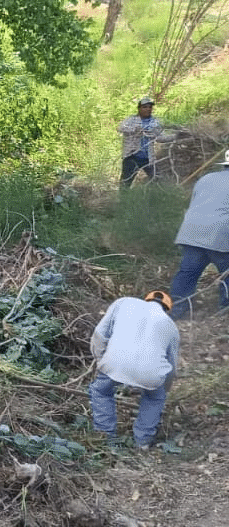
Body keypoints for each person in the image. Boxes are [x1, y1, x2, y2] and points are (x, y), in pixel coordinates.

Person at [89, 290, 180, 450]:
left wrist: (100, 360)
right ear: (167, 309)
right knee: (154, 398)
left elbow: (100, 334)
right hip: (151, 373)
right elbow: (171, 366)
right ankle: (142, 441)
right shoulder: (171, 326)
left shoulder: (123, 303)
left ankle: (105, 437)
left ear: (146, 299)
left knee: (101, 391)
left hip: (115, 362)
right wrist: (164, 389)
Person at [168, 149, 229, 318]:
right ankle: (224, 313)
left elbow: (197, 203)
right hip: (220, 234)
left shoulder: (206, 178)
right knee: (227, 274)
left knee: (187, 273)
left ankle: (177, 311)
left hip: (192, 231)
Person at [117, 97, 163, 187]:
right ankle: (123, 200)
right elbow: (120, 128)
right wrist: (135, 130)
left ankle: (154, 198)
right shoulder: (131, 120)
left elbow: (161, 137)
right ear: (139, 109)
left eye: (150, 107)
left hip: (148, 158)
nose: (148, 109)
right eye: (145, 107)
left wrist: (175, 137)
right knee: (125, 183)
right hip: (132, 156)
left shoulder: (155, 122)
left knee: (157, 180)